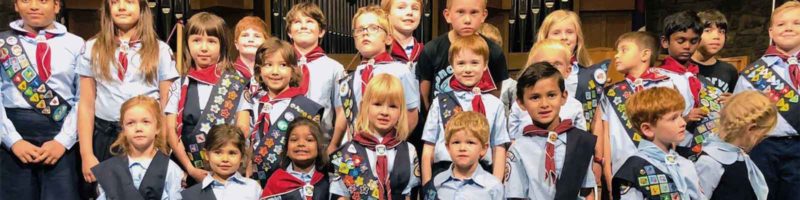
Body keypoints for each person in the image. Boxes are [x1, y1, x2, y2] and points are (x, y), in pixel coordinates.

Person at [77, 1, 179, 196]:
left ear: (142, 8)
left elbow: (168, 104)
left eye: (129, 2)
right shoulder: (91, 48)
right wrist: (86, 154)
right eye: (115, 2)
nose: (121, 7)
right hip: (105, 136)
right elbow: (86, 104)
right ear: (107, 9)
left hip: (147, 138)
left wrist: (164, 147)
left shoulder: (160, 50)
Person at [0, 0, 83, 199]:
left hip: (61, 137)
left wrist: (63, 141)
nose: (34, 6)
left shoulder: (77, 44)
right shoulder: (3, 43)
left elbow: (84, 99)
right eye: (26, 0)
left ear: (57, 6)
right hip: (12, 136)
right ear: (16, 5)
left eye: (43, 0)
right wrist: (13, 140)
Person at [165, 12, 252, 184]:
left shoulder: (236, 83)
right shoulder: (179, 85)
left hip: (227, 170)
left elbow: (243, 128)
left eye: (211, 41)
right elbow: (171, 132)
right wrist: (190, 169)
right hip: (188, 169)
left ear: (222, 45)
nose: (203, 48)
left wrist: (223, 165)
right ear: (187, 44)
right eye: (196, 40)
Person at [329, 6, 420, 153]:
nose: (365, 33)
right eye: (359, 30)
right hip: (357, 153)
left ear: (388, 38)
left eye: (373, 28)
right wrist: (334, 144)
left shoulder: (401, 71)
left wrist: (395, 145)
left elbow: (411, 114)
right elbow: (344, 116)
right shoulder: (348, 79)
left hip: (390, 149)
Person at [733, 1, 800, 199]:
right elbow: (739, 113)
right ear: (771, 31)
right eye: (781, 24)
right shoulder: (755, 71)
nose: (788, 28)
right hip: (764, 146)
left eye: (796, 23)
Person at [421, 34, 508, 184]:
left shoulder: (495, 104)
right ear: (452, 65)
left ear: (485, 64)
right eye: (461, 63)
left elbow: (498, 148)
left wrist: (497, 184)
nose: (467, 69)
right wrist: (427, 185)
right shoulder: (440, 102)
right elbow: (429, 147)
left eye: (474, 63)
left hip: (483, 174)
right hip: (443, 173)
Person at [505, 62, 597, 199]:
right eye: (535, 97)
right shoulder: (518, 149)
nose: (544, 104)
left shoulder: (579, 142)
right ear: (521, 103)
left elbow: (587, 191)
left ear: (564, 97)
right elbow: (515, 196)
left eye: (551, 95)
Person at [329, 74, 420, 200]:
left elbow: (409, 195)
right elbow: (341, 196)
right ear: (364, 107)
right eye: (377, 104)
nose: (384, 112)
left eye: (392, 106)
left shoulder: (409, 151)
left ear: (401, 111)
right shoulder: (348, 152)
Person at [249, 38, 323, 184]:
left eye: (283, 65)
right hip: (253, 179)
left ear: (293, 70)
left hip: (291, 181)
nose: (275, 72)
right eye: (268, 65)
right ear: (259, 70)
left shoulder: (305, 107)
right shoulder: (252, 102)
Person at [612, 87, 703, 200]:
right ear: (648, 129)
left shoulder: (684, 164)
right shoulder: (635, 169)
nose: (683, 122)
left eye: (681, 115)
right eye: (673, 118)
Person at [416, 0, 508, 110]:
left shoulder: (494, 52)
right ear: (447, 15)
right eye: (460, 12)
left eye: (474, 12)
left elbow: (495, 95)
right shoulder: (432, 50)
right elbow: (424, 98)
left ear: (483, 15)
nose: (467, 20)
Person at [656, 11, 723, 160]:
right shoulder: (658, 78)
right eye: (681, 41)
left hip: (703, 144)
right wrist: (685, 119)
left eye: (693, 41)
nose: (687, 46)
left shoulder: (697, 76)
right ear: (665, 42)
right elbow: (654, 120)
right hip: (673, 147)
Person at [91, 96, 184, 200]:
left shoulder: (171, 170)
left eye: (146, 122)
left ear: (157, 127)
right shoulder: (110, 170)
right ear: (123, 129)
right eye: (130, 123)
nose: (138, 128)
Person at [695, 91, 776, 200]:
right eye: (763, 135)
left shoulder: (741, 156)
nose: (762, 140)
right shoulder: (711, 162)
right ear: (751, 128)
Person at [536, 10, 607, 132]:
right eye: (556, 33)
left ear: (578, 37)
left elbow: (597, 118)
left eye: (569, 32)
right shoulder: (534, 75)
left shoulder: (590, 75)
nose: (564, 37)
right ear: (545, 37)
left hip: (580, 140)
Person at [285, 2, 345, 137]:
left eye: (310, 21)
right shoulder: (281, 64)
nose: (303, 26)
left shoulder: (334, 68)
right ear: (289, 32)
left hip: (321, 142)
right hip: (282, 140)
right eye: (297, 22)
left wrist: (334, 145)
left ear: (321, 31)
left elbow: (341, 112)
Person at [422, 111, 504, 200]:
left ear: (484, 149)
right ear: (448, 147)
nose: (462, 148)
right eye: (456, 142)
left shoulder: (494, 187)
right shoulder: (436, 183)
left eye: (470, 142)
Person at [181, 124, 262, 200]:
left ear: (241, 156)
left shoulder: (253, 189)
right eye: (218, 152)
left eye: (232, 153)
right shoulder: (189, 195)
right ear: (207, 155)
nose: (225, 159)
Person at [260, 118, 330, 200]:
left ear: (319, 147)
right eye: (294, 139)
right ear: (286, 149)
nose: (301, 144)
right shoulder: (276, 181)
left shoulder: (329, 180)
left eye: (309, 140)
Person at [691, 9, 738, 94]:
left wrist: (732, 101)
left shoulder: (729, 71)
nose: (716, 36)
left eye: (721, 31)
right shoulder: (683, 68)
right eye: (708, 30)